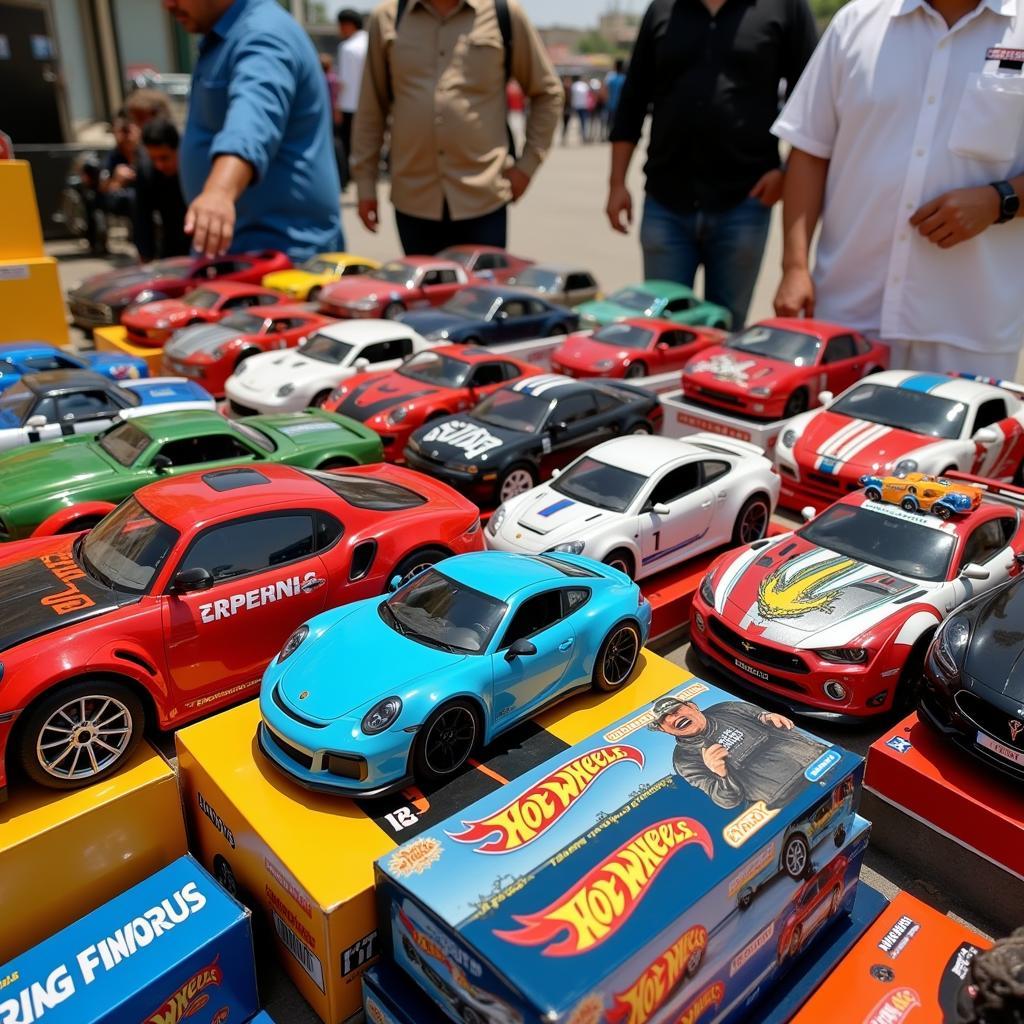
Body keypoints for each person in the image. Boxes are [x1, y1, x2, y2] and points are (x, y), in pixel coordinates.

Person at [772, 0, 1024, 378]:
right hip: (847, 314)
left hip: (970, 328)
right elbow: (809, 151)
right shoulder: (857, 22)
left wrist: (998, 201)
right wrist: (794, 267)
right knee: (832, 438)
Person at [607, 0, 819, 328]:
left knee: (724, 330)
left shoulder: (785, 8)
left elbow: (812, 98)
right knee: (662, 332)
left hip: (745, 202)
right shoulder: (662, 10)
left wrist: (786, 173)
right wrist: (616, 183)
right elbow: (632, 100)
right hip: (666, 201)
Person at [352, 0, 562, 256]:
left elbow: (547, 93)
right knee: (426, 294)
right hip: (413, 197)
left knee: (481, 294)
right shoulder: (388, 17)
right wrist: (365, 184)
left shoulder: (503, 14)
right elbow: (370, 109)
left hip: (483, 197)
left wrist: (527, 166)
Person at [165, 0, 342, 261]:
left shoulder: (263, 34)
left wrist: (219, 192)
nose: (168, 5)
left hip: (279, 259)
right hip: (241, 250)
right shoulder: (229, 35)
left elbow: (252, 121)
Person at [648, 696, 828, 810]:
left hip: (817, 760)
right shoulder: (683, 759)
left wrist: (768, 716)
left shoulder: (725, 708)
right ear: (664, 730)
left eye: (676, 710)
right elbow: (727, 801)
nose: (672, 717)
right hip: (787, 796)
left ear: (693, 706)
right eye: (665, 719)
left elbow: (760, 714)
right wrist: (720, 774)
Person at [135, 118, 190, 262]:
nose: (159, 165)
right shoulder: (147, 172)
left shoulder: (194, 170)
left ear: (179, 149)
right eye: (154, 159)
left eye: (164, 158)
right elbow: (143, 217)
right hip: (171, 245)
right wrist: (145, 256)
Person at [336, 8, 368, 189]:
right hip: (370, 104)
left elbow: (345, 82)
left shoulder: (347, 48)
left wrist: (336, 107)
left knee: (348, 144)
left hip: (350, 105)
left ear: (348, 25)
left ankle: (347, 178)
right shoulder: (370, 42)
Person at [604, 59, 626, 141]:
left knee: (610, 123)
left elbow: (606, 92)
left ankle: (609, 135)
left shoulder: (611, 79)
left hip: (611, 104)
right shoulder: (625, 79)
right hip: (622, 106)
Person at [569, 75, 591, 143]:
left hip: (576, 105)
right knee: (583, 121)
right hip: (584, 106)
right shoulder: (585, 85)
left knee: (575, 121)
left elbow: (572, 95)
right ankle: (583, 135)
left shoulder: (574, 85)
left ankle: (580, 135)